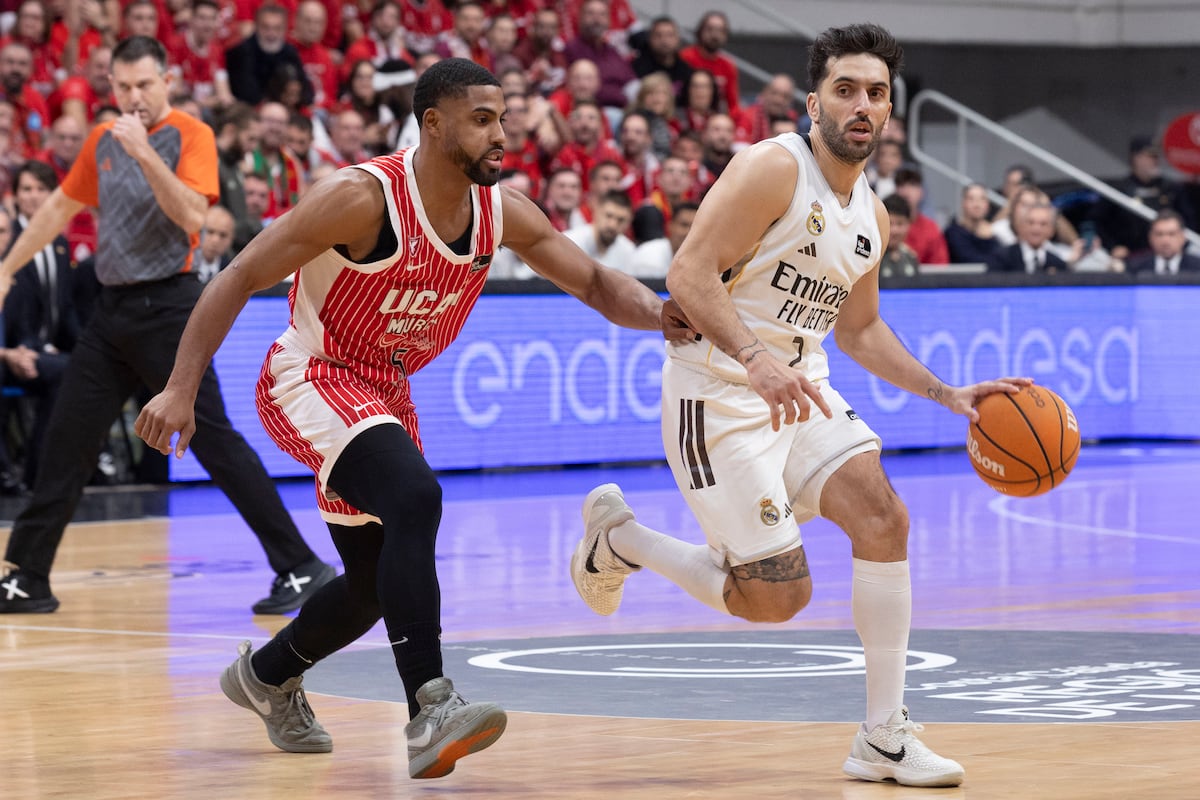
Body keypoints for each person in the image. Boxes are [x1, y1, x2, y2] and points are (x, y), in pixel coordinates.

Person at [133, 58, 689, 780]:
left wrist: (661, 315)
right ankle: (430, 707)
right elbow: (238, 274)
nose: (501, 135)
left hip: (385, 391)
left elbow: (591, 281)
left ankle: (266, 676)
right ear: (434, 124)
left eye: (504, 118)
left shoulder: (502, 210)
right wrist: (180, 388)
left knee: (370, 586)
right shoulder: (360, 200)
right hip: (311, 373)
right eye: (482, 119)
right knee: (416, 495)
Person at [569, 24, 1030, 788]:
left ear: (890, 113)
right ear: (814, 101)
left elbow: (861, 328)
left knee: (885, 518)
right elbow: (687, 275)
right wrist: (752, 358)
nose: (861, 105)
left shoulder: (872, 218)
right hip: (716, 395)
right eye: (845, 89)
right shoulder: (770, 170)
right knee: (777, 598)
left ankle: (883, 737)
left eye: (876, 93)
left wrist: (947, 394)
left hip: (801, 386)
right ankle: (621, 542)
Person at [0, 36, 334, 616]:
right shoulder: (102, 141)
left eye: (144, 85)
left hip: (172, 310)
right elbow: (58, 208)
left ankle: (302, 566)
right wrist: (7, 268)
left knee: (214, 441)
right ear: (111, 87)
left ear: (167, 81)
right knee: (66, 441)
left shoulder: (190, 134)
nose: (133, 97)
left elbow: (193, 217)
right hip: (112, 314)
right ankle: (28, 576)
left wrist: (145, 152)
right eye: (123, 87)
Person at [986, 200, 1068, 274]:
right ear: (1021, 226)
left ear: (1052, 230)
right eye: (1031, 223)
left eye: (1043, 224)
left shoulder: (1058, 264)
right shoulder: (1001, 258)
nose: (1036, 229)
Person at [1126, 209, 1200, 274]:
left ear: (1183, 237)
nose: (1165, 240)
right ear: (1150, 237)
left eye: (1171, 234)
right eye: (1159, 234)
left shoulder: (1197, 267)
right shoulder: (1135, 269)